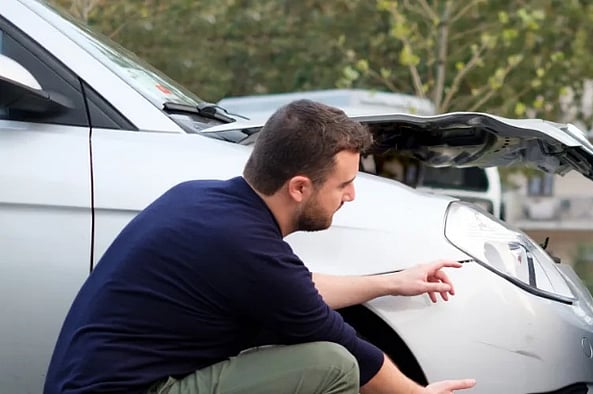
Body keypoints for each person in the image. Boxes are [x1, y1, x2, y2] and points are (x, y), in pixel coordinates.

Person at [45, 99, 476, 394]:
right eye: (343, 184)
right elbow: (348, 348)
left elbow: (296, 289)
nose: (351, 195)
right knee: (334, 365)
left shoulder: (202, 199)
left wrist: (392, 282)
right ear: (299, 187)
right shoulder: (244, 245)